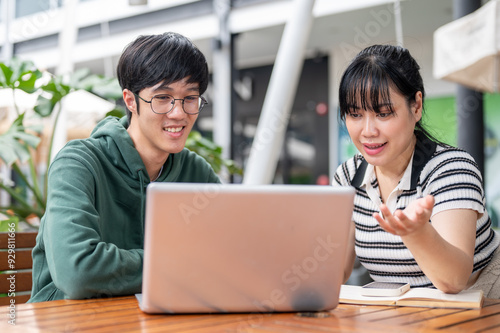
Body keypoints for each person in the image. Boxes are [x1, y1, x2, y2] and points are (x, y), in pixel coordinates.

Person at [29, 32, 220, 302]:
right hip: (67, 319)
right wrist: (183, 265)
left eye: (190, 98)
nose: (179, 113)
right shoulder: (78, 163)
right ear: (130, 101)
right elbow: (78, 271)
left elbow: (227, 255)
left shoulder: (196, 173)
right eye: (163, 98)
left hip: (156, 318)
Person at [333, 44, 500, 298]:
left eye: (383, 113)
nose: (367, 131)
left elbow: (454, 279)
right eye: (355, 114)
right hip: (409, 309)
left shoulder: (450, 168)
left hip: (484, 297)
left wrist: (416, 232)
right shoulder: (348, 176)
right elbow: (337, 271)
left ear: (416, 106)